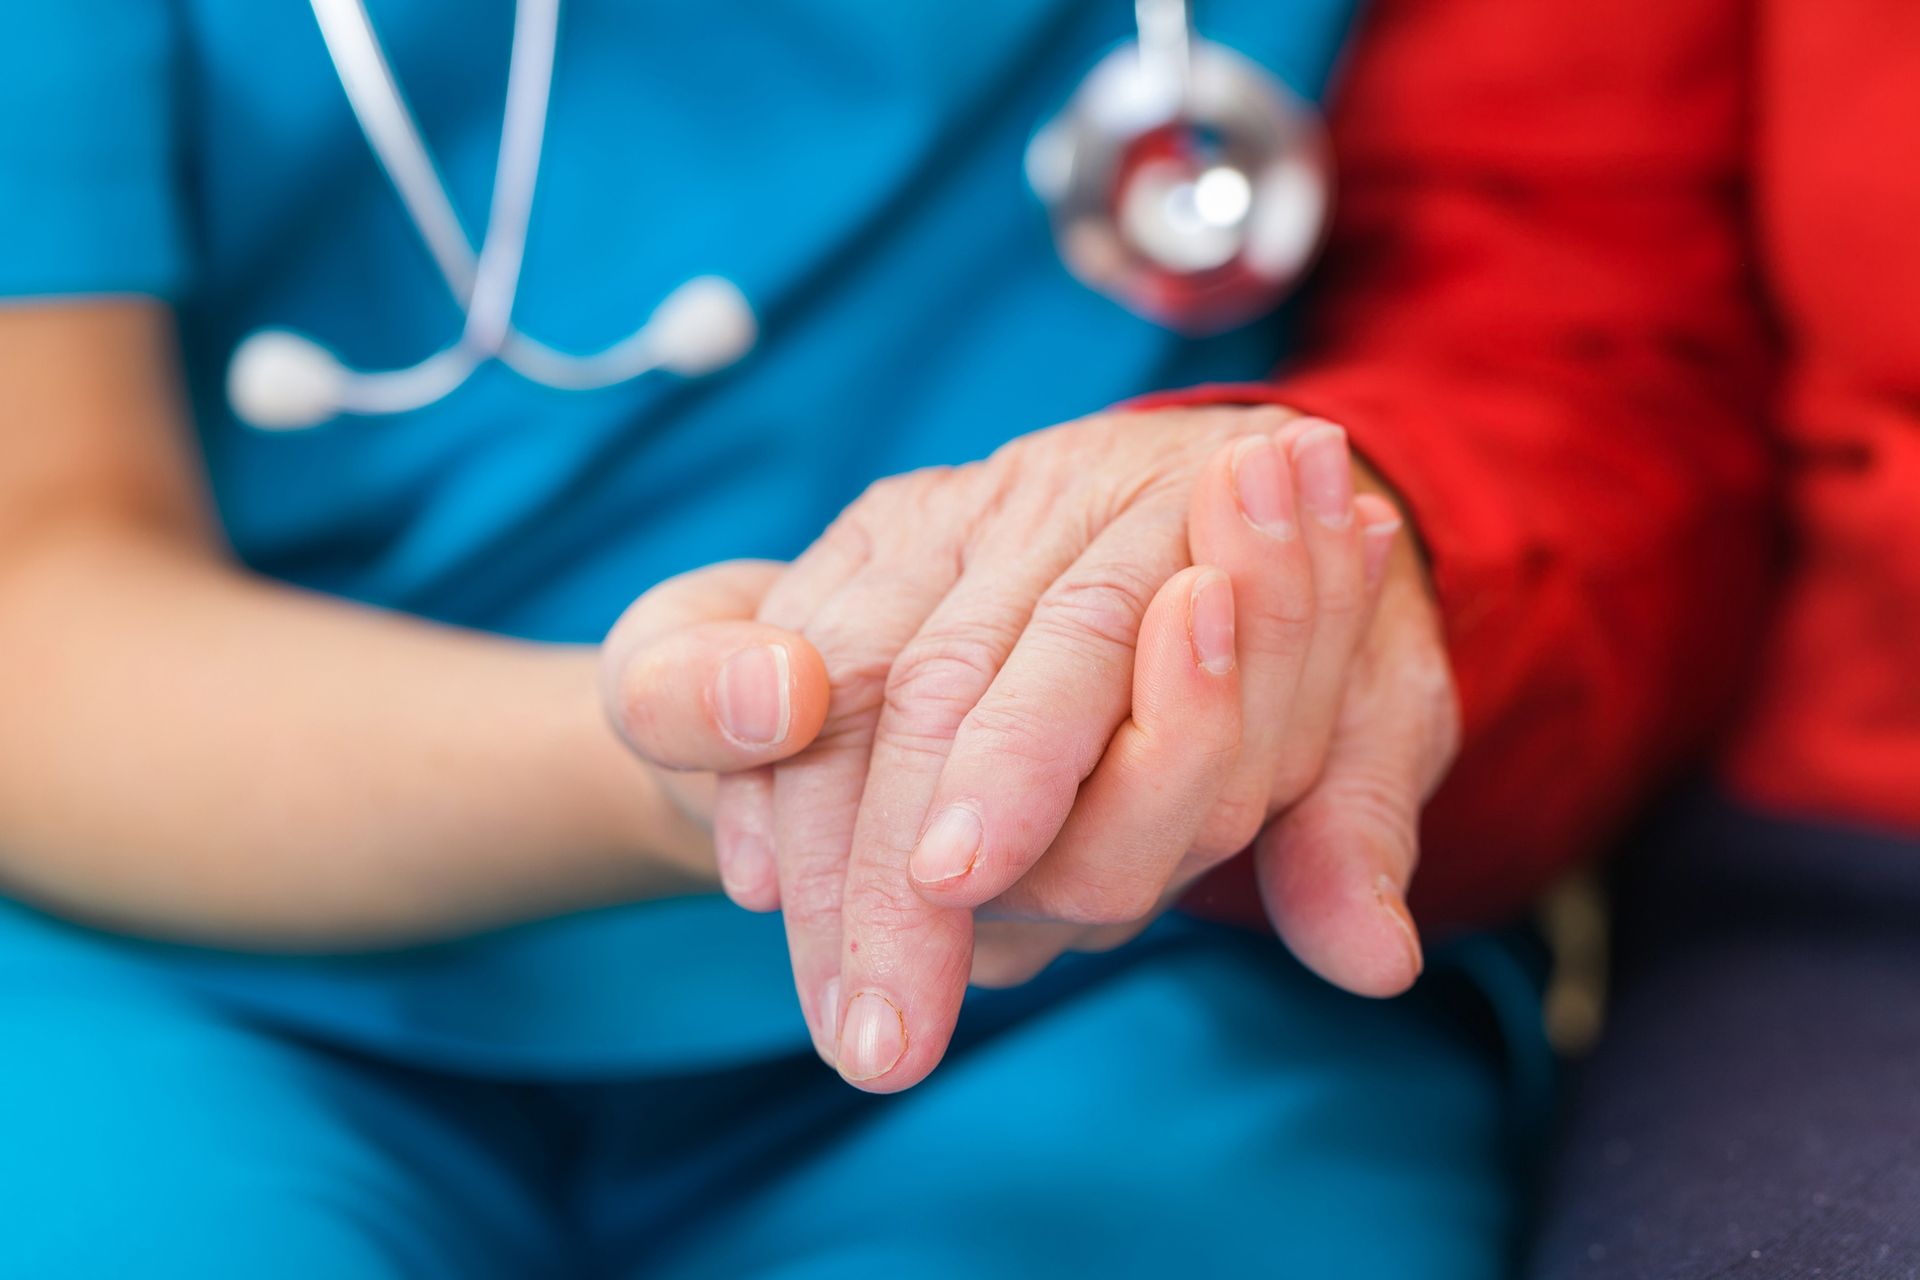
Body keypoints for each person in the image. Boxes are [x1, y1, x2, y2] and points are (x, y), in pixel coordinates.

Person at [0, 1, 1764, 1276]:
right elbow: (41, 597)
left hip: (1119, 974)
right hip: (201, 947)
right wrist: (698, 774)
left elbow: (1582, 374)